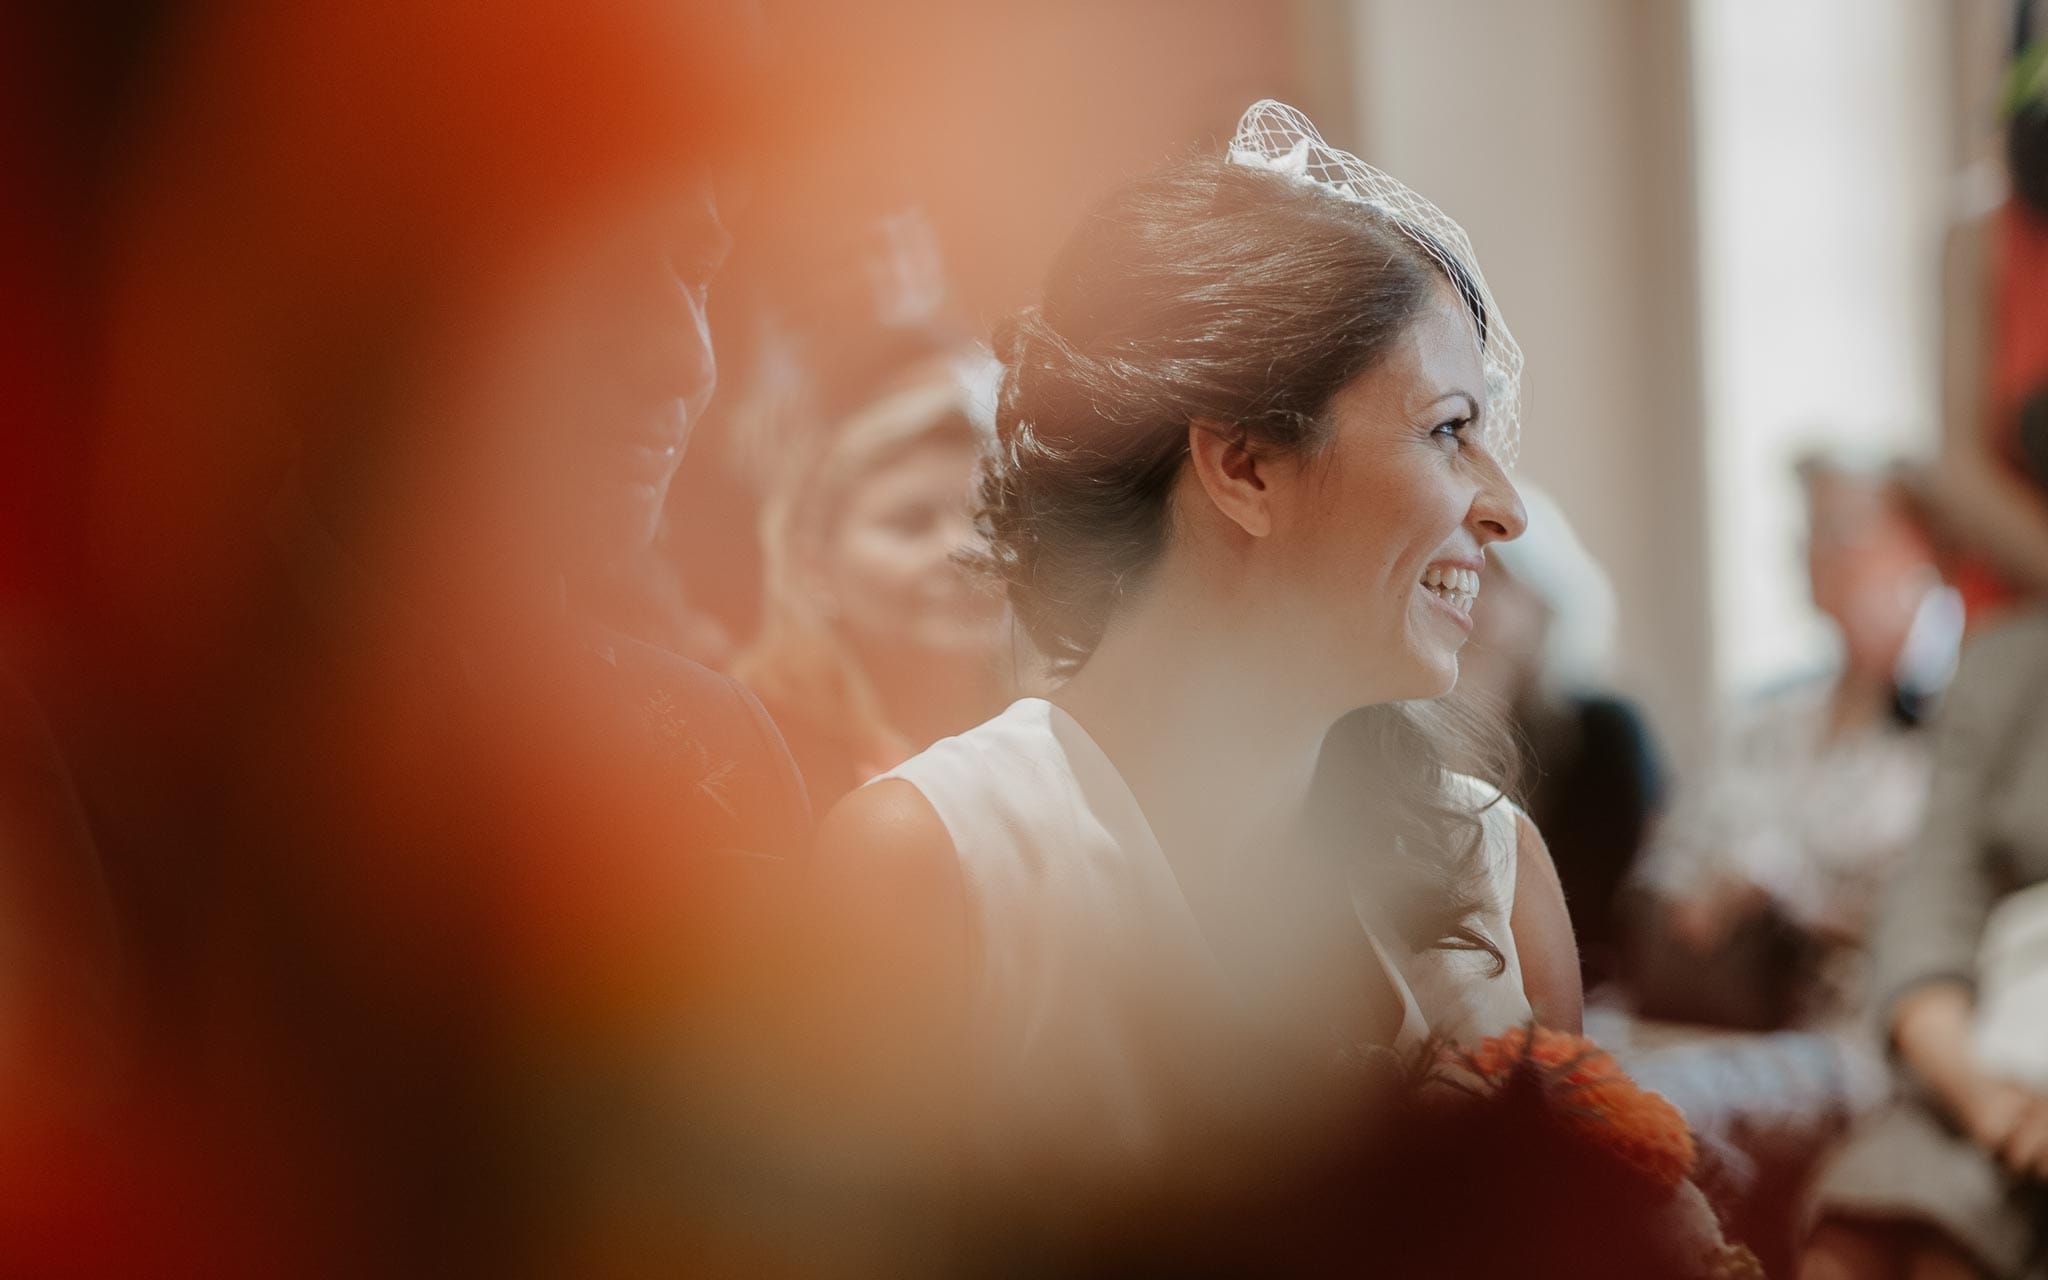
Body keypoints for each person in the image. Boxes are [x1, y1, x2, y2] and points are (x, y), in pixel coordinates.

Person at [811, 102, 1579, 1207]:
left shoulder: (1492, 874)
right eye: (1447, 430)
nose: (1504, 512)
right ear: (1244, 464)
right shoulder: (928, 871)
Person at [1629, 456, 1959, 1033]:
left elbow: (1947, 915)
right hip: (1720, 1006)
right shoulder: (1763, 716)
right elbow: (1667, 866)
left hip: (1863, 1025)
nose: (1813, 552)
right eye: (1807, 532)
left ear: (1918, 549)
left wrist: (1787, 897)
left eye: (1842, 532)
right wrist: (1700, 896)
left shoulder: (1952, 722)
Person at [1800, 607, 2048, 1280]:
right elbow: (1932, 903)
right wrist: (1979, 1095)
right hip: (1986, 1056)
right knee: (1851, 1244)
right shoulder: (2006, 668)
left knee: (1951, 1254)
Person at [734, 371, 1008, 808]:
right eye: (911, 524)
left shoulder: (1068, 729)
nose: (969, 551)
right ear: (814, 566)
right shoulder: (751, 744)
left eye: (988, 522)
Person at [1456, 484, 1663, 991]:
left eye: (1495, 576)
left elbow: (1605, 898)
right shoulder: (1407, 725)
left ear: (1545, 598)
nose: (1472, 593)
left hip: (1587, 984)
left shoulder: (1602, 730)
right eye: (1464, 573)